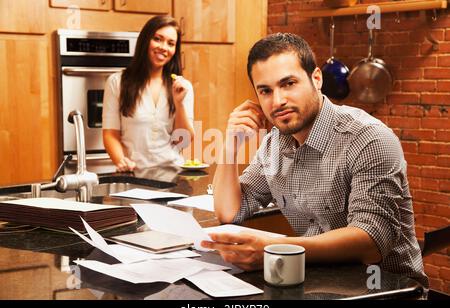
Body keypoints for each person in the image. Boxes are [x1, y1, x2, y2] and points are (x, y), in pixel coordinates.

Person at [201, 33, 428, 287]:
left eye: (288, 83)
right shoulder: (274, 144)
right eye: (265, 90)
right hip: (321, 283)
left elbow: (371, 242)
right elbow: (229, 211)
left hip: (388, 290)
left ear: (316, 79)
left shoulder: (369, 138)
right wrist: (231, 144)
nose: (278, 101)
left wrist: (276, 247)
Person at [102, 15, 194, 172]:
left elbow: (182, 142)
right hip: (134, 173)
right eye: (158, 39)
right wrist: (122, 161)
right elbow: (110, 134)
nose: (164, 47)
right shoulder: (117, 82)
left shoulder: (181, 87)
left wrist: (179, 103)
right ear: (145, 40)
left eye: (171, 43)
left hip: (175, 175)